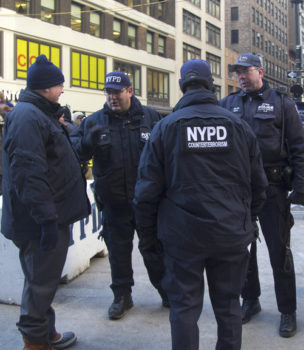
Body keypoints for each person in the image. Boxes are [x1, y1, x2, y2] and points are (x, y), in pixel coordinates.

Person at [134, 59, 268, 350]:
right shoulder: (239, 127)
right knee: (229, 305)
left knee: (183, 308)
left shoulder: (165, 127)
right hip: (230, 233)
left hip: (182, 238)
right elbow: (259, 185)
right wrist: (246, 220)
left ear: (182, 86)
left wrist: (148, 237)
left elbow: (146, 192)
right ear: (211, 85)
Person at [1, 55, 90, 350]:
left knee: (42, 280)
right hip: (39, 222)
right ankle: (34, 342)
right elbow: (29, 175)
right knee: (40, 283)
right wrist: (47, 220)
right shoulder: (28, 117)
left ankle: (44, 333)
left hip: (45, 217)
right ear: (46, 87)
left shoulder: (39, 113)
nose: (62, 88)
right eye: (59, 84)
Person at [219, 53, 304, 337]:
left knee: (278, 251)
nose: (241, 77)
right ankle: (251, 300)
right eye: (237, 73)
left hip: (273, 188)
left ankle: (287, 311)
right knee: (242, 250)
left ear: (260, 71)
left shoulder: (283, 103)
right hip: (238, 189)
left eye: (246, 72)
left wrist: (302, 189)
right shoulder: (227, 104)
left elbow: (300, 149)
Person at [70, 71, 166, 320]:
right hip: (114, 202)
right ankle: (122, 296)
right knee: (118, 252)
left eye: (118, 92)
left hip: (146, 202)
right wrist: (86, 144)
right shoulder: (94, 122)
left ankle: (167, 291)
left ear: (130, 91)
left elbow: (166, 155)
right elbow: (73, 155)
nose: (113, 97)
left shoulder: (150, 117)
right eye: (109, 92)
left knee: (154, 250)